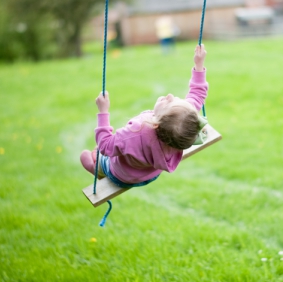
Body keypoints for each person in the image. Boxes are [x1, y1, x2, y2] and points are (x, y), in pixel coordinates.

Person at [80, 45, 208, 188]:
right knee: (106, 150)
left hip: (122, 176)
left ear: (156, 124)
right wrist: (199, 64)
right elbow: (197, 93)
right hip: (151, 174)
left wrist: (103, 110)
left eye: (168, 102)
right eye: (175, 99)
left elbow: (105, 145)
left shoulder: (135, 134)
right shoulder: (185, 122)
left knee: (94, 155)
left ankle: (96, 168)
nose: (170, 96)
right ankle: (99, 159)